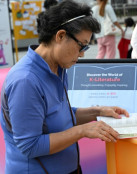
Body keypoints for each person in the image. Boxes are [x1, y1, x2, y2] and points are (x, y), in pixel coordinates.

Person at [0, 1, 129, 173]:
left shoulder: (58, 68)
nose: (82, 53)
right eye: (81, 45)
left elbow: (60, 116)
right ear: (60, 36)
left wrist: (97, 112)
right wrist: (82, 131)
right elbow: (30, 146)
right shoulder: (25, 81)